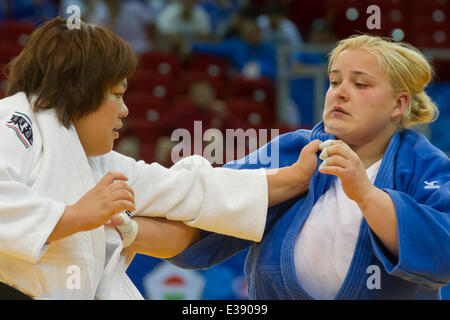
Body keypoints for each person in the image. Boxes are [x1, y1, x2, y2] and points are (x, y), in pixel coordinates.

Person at [0, 16, 322, 299]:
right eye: (116, 93)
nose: (125, 109)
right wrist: (76, 215)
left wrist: (293, 177)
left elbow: (186, 188)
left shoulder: (99, 163)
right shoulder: (16, 120)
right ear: (79, 88)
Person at [131, 34, 450, 299]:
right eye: (334, 81)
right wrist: (124, 232)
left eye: (360, 84)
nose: (339, 92)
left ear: (399, 103)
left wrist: (365, 193)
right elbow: (202, 221)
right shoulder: (293, 153)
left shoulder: (425, 166)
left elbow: (443, 255)